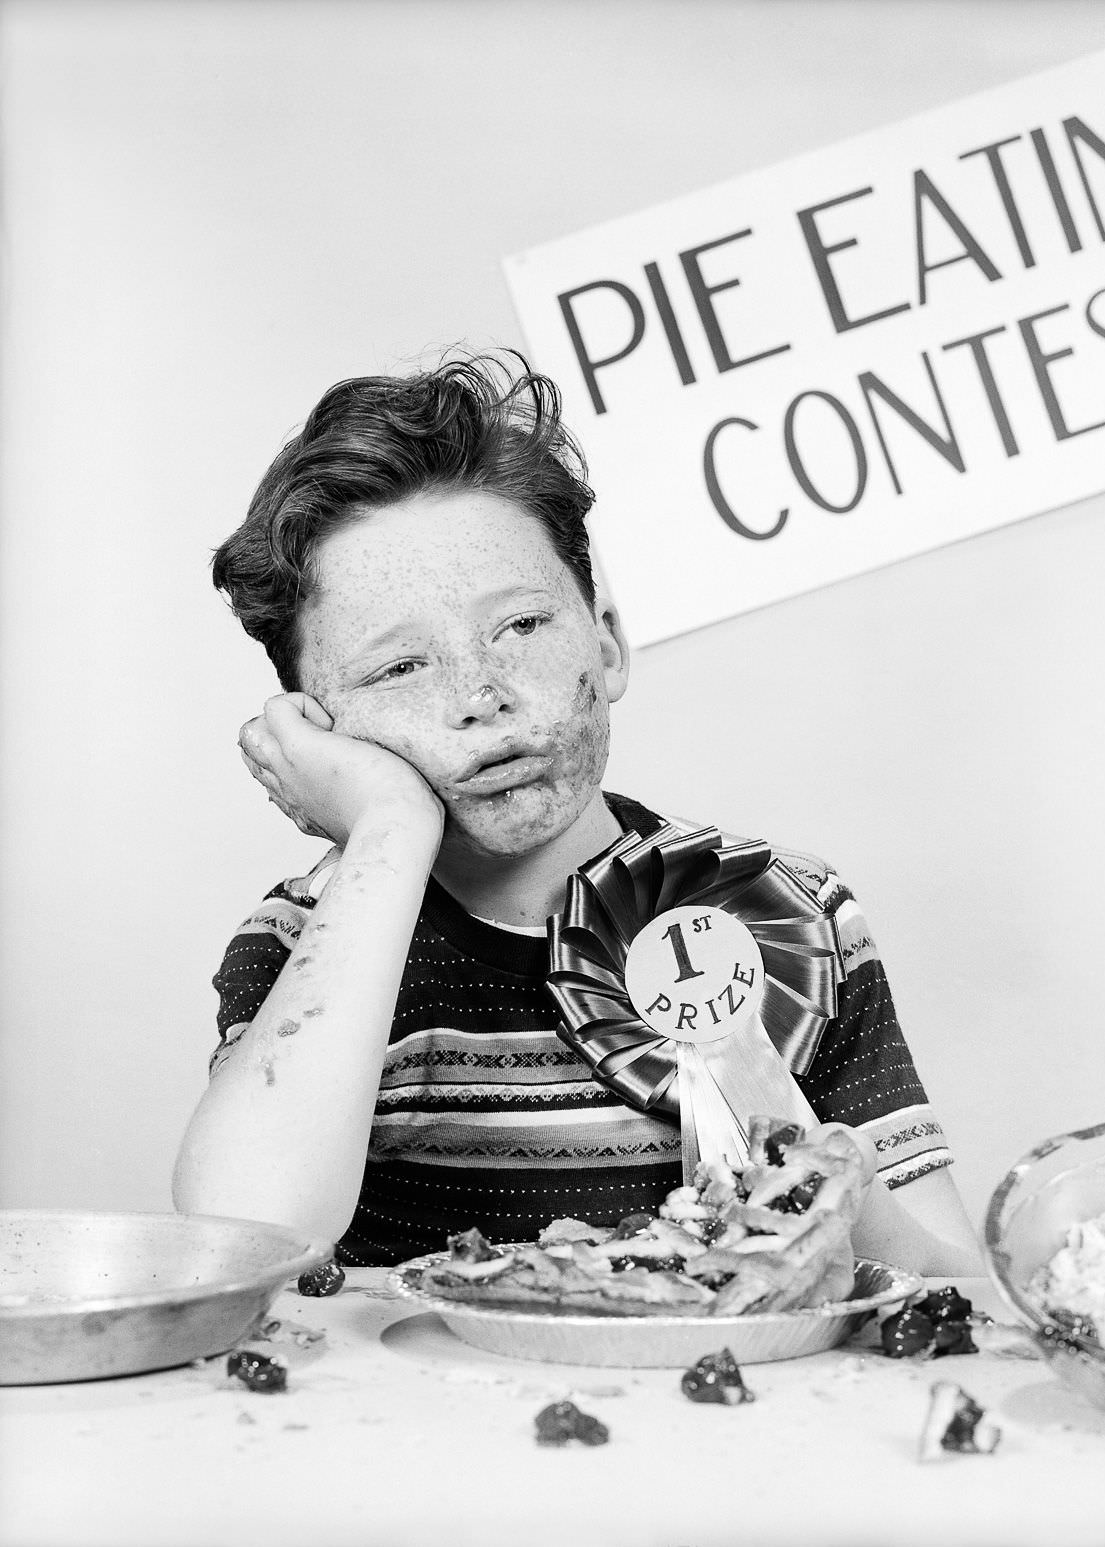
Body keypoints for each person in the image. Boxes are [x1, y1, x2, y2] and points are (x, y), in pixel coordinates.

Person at [172, 352, 980, 1274]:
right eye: (399, 667)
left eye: (520, 626)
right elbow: (248, 1240)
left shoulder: (794, 909)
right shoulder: (303, 940)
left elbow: (957, 1290)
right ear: (321, 731)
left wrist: (815, 1170)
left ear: (607, 643)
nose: (481, 695)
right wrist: (388, 828)